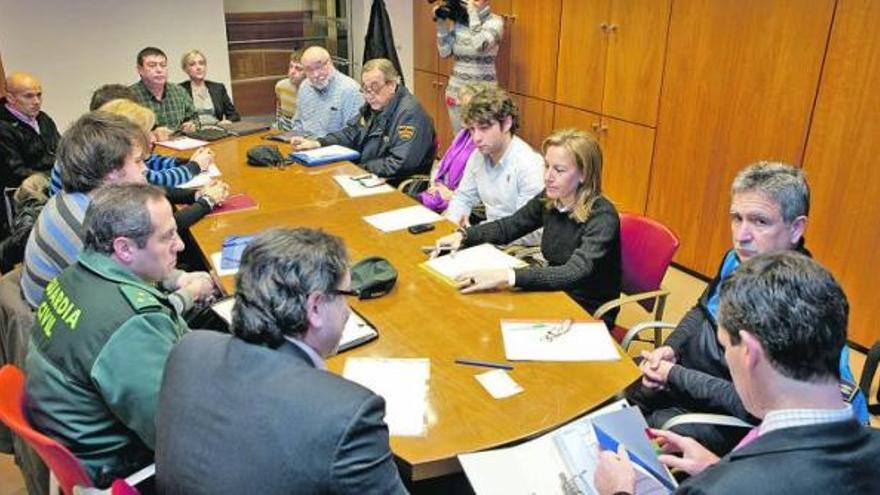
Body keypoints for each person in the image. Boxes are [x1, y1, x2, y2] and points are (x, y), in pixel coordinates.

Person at [628, 162, 868, 454]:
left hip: (722, 411)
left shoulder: (804, 306)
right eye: (736, 218)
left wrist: (674, 375)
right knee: (623, 398)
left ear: (796, 228)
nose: (741, 235)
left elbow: (766, 407)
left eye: (760, 221)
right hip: (682, 378)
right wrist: (671, 349)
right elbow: (701, 310)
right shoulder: (737, 259)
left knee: (652, 437)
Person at [595, 252, 880, 495]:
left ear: (749, 353)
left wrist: (618, 490)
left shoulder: (720, 488)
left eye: (724, 346)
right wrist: (714, 466)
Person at [156, 228, 406, 494]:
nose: (347, 311)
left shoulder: (189, 349)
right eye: (346, 296)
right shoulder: (346, 413)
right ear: (316, 307)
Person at [24, 184, 213, 488]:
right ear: (124, 248)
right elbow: (178, 434)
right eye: (167, 236)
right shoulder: (130, 325)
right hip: (120, 467)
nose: (179, 245)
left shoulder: (73, 276)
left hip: (78, 435)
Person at [21, 111, 215, 310]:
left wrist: (179, 279)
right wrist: (191, 293)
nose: (145, 170)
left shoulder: (81, 201)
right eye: (139, 161)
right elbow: (134, 312)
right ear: (112, 173)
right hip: (78, 326)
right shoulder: (87, 228)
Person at [434, 128, 622, 328]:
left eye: (559, 170)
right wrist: (464, 236)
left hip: (586, 308)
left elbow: (572, 272)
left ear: (584, 174)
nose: (548, 176)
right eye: (547, 166)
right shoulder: (550, 198)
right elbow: (510, 226)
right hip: (554, 293)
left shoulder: (602, 217)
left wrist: (507, 276)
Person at [291, 58, 436, 184]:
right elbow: (351, 133)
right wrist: (318, 143)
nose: (369, 95)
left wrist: (359, 169)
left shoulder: (409, 114)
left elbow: (402, 163)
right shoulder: (376, 105)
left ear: (391, 85)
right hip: (370, 176)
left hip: (395, 185)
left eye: (374, 87)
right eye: (365, 89)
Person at [443, 85, 544, 238]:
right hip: (488, 237)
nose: (476, 138)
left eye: (484, 128)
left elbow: (531, 231)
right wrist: (455, 220)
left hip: (518, 248)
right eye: (472, 129)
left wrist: (479, 233)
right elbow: (463, 197)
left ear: (507, 123)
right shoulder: (477, 156)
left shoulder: (529, 165)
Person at [434, 0, 503, 133]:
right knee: (460, 139)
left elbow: (480, 46)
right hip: (456, 91)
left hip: (484, 93)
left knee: (483, 141)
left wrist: (472, 13)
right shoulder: (459, 22)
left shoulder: (495, 22)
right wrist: (441, 24)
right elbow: (444, 52)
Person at [418, 81, 485, 213]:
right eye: (460, 108)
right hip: (440, 196)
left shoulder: (484, 146)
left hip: (461, 208)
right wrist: (436, 185)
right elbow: (441, 165)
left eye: (466, 109)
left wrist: (451, 195)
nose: (461, 113)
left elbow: (483, 197)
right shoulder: (463, 135)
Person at [0, 72, 61, 190]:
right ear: (10, 98)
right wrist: (53, 177)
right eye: (29, 96)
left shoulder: (43, 118)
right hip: (25, 193)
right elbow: (15, 173)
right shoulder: (3, 127)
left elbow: (61, 149)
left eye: (39, 95)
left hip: (54, 183)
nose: (37, 101)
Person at [290, 46, 363, 138]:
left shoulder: (350, 90)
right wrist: (297, 139)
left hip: (335, 148)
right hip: (306, 146)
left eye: (319, 67)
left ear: (330, 63)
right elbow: (298, 123)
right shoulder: (305, 86)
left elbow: (352, 135)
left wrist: (319, 144)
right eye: (309, 70)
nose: (316, 74)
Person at [129, 47, 196, 140]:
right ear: (139, 70)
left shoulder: (180, 92)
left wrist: (192, 125)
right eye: (152, 65)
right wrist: (150, 134)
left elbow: (195, 118)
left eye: (163, 65)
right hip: (147, 151)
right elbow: (122, 134)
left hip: (181, 147)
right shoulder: (129, 96)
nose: (159, 70)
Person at [179, 49, 240, 125]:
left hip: (217, 130)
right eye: (192, 64)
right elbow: (176, 120)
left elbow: (234, 115)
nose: (198, 67)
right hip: (193, 133)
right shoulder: (179, 90)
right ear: (185, 69)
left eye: (201, 63)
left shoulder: (218, 88)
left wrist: (228, 121)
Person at [274, 49, 305, 131]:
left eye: (298, 68)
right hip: (283, 130)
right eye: (291, 66)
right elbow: (279, 113)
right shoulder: (281, 86)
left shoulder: (315, 91)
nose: (292, 71)